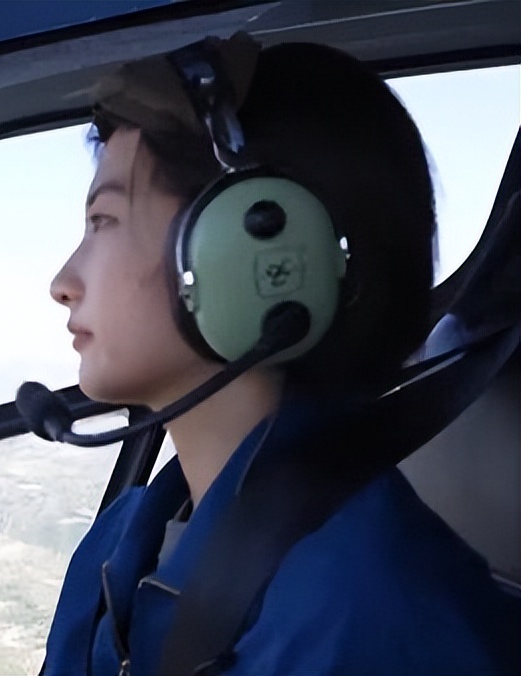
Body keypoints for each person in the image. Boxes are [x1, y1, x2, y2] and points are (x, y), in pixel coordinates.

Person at [42, 32, 520, 675]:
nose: (63, 282)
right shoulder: (120, 543)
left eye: (104, 222)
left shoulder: (366, 611)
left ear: (260, 247)